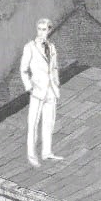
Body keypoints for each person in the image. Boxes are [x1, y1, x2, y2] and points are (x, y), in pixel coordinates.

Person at [21, 18, 62, 168]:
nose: (41, 32)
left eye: (44, 29)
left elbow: (55, 67)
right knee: (33, 124)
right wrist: (29, 87)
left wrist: (56, 84)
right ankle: (31, 156)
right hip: (37, 91)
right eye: (39, 29)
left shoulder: (51, 47)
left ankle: (47, 152)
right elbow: (24, 70)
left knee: (49, 123)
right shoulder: (30, 47)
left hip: (51, 91)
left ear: (49, 30)